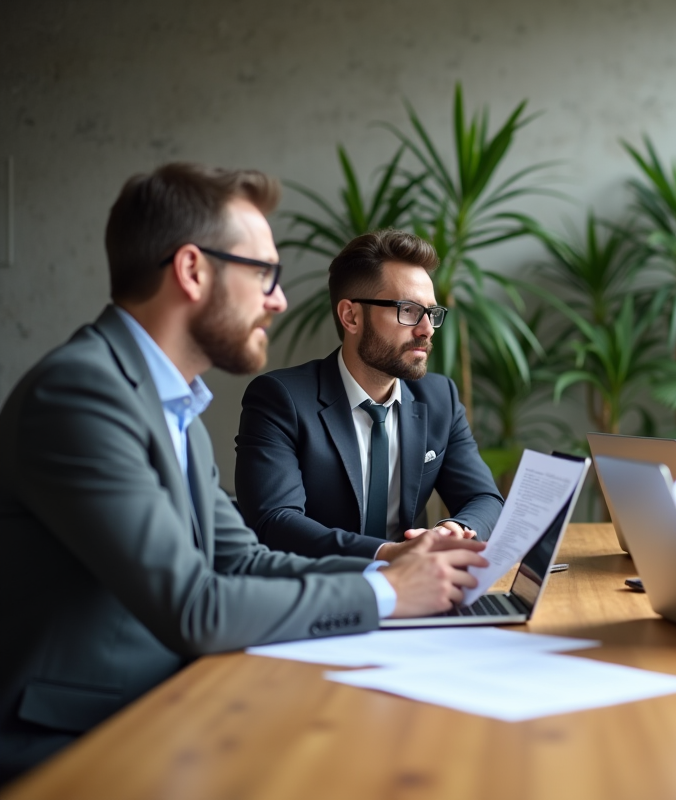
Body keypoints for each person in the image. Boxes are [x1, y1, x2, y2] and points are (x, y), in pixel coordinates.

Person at [0, 164, 487, 782]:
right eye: (263, 273)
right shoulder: (82, 393)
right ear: (192, 270)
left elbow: (245, 562)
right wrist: (390, 592)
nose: (279, 299)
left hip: (177, 699)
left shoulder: (169, 402)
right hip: (81, 739)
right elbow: (194, 607)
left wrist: (394, 566)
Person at [235, 230, 504, 560]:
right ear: (351, 316)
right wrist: (389, 554)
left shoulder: (439, 398)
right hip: (325, 594)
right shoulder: (281, 399)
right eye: (408, 310)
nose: (426, 329)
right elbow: (275, 521)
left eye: (431, 313)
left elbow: (485, 499)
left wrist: (451, 530)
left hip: (425, 592)